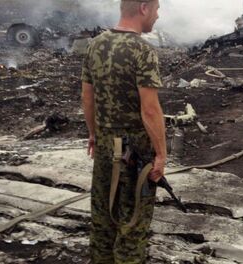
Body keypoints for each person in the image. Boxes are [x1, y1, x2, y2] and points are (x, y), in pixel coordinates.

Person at [80, 0, 166, 263]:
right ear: (143, 8)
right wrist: (161, 154)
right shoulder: (143, 51)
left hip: (105, 148)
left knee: (103, 221)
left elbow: (87, 97)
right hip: (134, 155)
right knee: (132, 224)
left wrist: (93, 134)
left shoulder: (95, 45)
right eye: (157, 8)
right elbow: (150, 110)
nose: (158, 14)